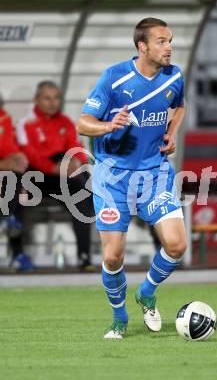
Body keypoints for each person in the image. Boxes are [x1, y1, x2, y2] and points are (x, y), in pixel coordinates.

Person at [77, 17, 187, 338]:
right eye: (162, 41)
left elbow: (179, 106)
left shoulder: (174, 76)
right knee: (112, 256)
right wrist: (108, 126)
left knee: (177, 245)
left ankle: (147, 293)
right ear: (143, 46)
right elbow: (83, 122)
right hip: (113, 176)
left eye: (171, 40)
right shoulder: (114, 78)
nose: (170, 47)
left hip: (154, 173)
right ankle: (120, 318)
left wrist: (172, 131)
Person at [15, 81, 94, 270]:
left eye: (56, 98)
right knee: (13, 190)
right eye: (47, 98)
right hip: (35, 176)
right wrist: (53, 168)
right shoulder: (24, 123)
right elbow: (28, 154)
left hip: (60, 176)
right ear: (36, 100)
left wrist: (77, 162)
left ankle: (84, 258)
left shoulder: (65, 122)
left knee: (83, 190)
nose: (52, 103)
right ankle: (17, 256)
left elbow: (76, 148)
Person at [0, 94, 35, 270]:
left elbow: (9, 151)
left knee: (16, 188)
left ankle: (17, 253)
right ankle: (17, 253)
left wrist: (17, 159)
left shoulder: (3, 119)